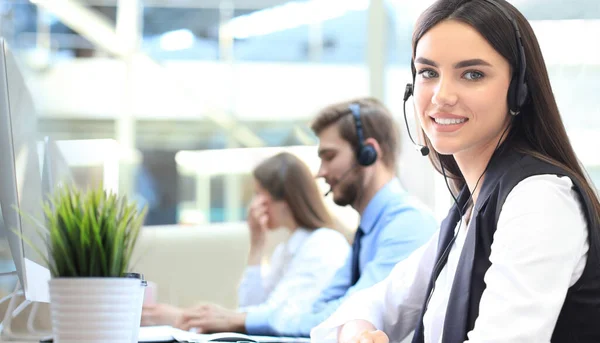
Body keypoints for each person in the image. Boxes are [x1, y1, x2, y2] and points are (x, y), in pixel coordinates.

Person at [310, 0, 600, 342]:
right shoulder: (468, 209)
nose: (441, 95)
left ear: (519, 89)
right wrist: (357, 335)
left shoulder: (537, 200)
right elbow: (370, 306)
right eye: (428, 73)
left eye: (472, 74)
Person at [177, 97, 438, 337]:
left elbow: (348, 317)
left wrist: (244, 320)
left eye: (330, 156)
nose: (320, 172)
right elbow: (320, 308)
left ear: (368, 153)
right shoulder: (370, 229)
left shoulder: (408, 225)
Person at [141, 152, 350, 330]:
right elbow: (250, 310)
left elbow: (278, 316)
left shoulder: (324, 244)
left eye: (259, 194)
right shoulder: (287, 249)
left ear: (285, 200)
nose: (253, 203)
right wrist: (257, 246)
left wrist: (185, 317)